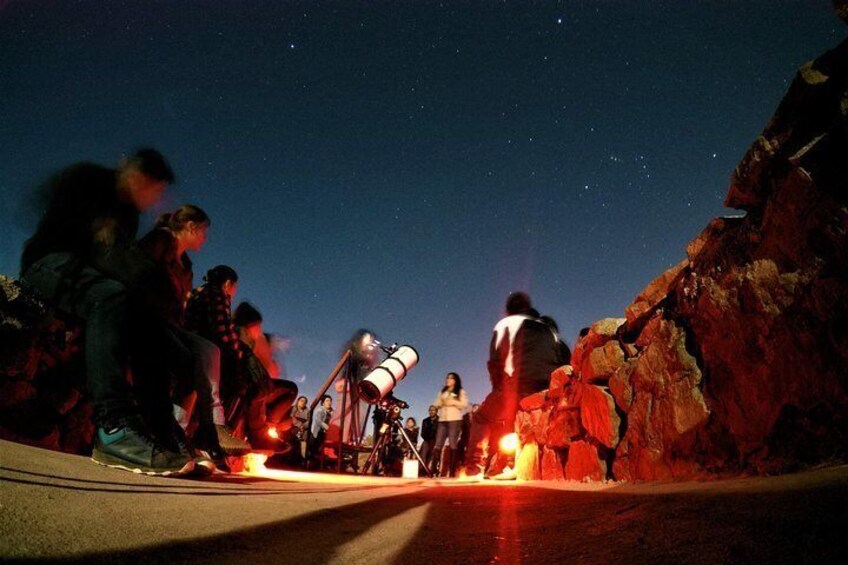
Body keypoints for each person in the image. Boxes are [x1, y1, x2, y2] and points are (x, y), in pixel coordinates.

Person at [19, 148, 193, 475]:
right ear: (138, 176)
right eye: (154, 190)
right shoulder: (89, 178)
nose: (155, 201)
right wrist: (93, 226)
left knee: (147, 323)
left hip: (88, 274)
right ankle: (113, 428)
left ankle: (161, 429)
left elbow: (116, 260)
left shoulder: (127, 215)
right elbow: (41, 204)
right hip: (48, 263)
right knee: (110, 298)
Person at [137, 206, 250, 468]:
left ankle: (198, 430)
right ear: (190, 226)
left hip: (177, 329)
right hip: (152, 318)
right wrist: (240, 353)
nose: (205, 238)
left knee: (205, 355)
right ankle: (209, 429)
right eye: (203, 231)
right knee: (213, 360)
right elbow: (222, 328)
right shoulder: (161, 245)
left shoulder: (186, 267)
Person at [460, 292, 562, 480]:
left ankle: (475, 468)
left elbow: (495, 362)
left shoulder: (506, 324)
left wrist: (498, 389)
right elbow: (562, 357)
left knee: (482, 418)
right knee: (511, 419)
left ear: (509, 310)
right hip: (547, 387)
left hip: (519, 385)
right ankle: (510, 464)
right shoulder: (549, 330)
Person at [233, 301, 298, 452]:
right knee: (289, 390)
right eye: (258, 326)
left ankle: (267, 425)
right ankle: (262, 431)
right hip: (245, 385)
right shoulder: (244, 341)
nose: (259, 330)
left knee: (270, 390)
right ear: (250, 325)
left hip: (247, 383)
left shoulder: (243, 339)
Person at [432, 372, 468, 477]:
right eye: (447, 378)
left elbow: (464, 404)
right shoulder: (442, 392)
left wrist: (452, 402)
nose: (448, 380)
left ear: (455, 381)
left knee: (453, 444)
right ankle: (432, 471)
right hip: (442, 420)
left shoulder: (460, 391)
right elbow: (436, 404)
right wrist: (441, 402)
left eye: (451, 378)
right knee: (438, 444)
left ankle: (452, 472)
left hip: (455, 420)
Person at [308, 395, 333, 465]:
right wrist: (328, 428)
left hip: (324, 433)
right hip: (316, 433)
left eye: (330, 401)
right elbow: (318, 421)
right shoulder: (320, 410)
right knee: (313, 450)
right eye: (327, 401)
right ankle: (310, 466)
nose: (329, 402)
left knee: (321, 450)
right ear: (323, 403)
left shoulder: (331, 412)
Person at [418, 405, 438, 471]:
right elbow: (422, 433)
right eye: (430, 410)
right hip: (427, 440)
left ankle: (432, 469)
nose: (431, 411)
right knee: (424, 449)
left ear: (436, 411)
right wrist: (428, 439)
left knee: (434, 451)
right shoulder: (425, 421)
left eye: (433, 410)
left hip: (436, 440)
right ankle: (421, 468)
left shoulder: (440, 420)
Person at [290, 395, 310, 462]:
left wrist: (303, 426)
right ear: (298, 401)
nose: (303, 402)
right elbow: (292, 418)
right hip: (293, 427)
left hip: (304, 429)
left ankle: (303, 458)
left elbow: (309, 421)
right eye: (301, 401)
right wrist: (299, 425)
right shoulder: (292, 409)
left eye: (305, 401)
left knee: (306, 438)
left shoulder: (308, 411)